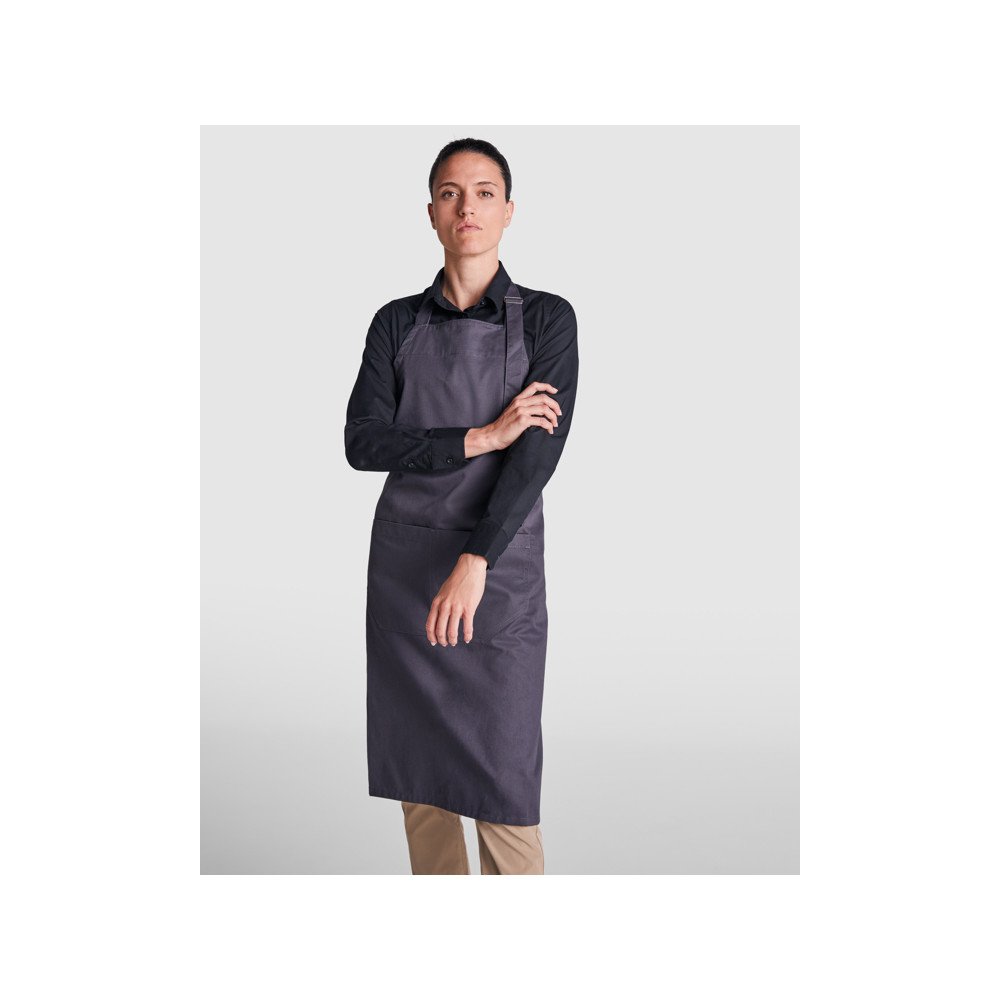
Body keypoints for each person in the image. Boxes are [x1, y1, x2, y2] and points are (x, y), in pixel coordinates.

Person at [344, 138, 578, 875]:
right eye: (450, 193)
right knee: (424, 791)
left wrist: (476, 559)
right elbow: (363, 441)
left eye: (483, 193)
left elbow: (535, 457)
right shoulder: (394, 323)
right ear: (431, 214)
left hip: (497, 577)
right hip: (408, 575)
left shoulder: (548, 320)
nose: (466, 207)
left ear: (508, 211)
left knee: (505, 789)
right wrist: (481, 436)